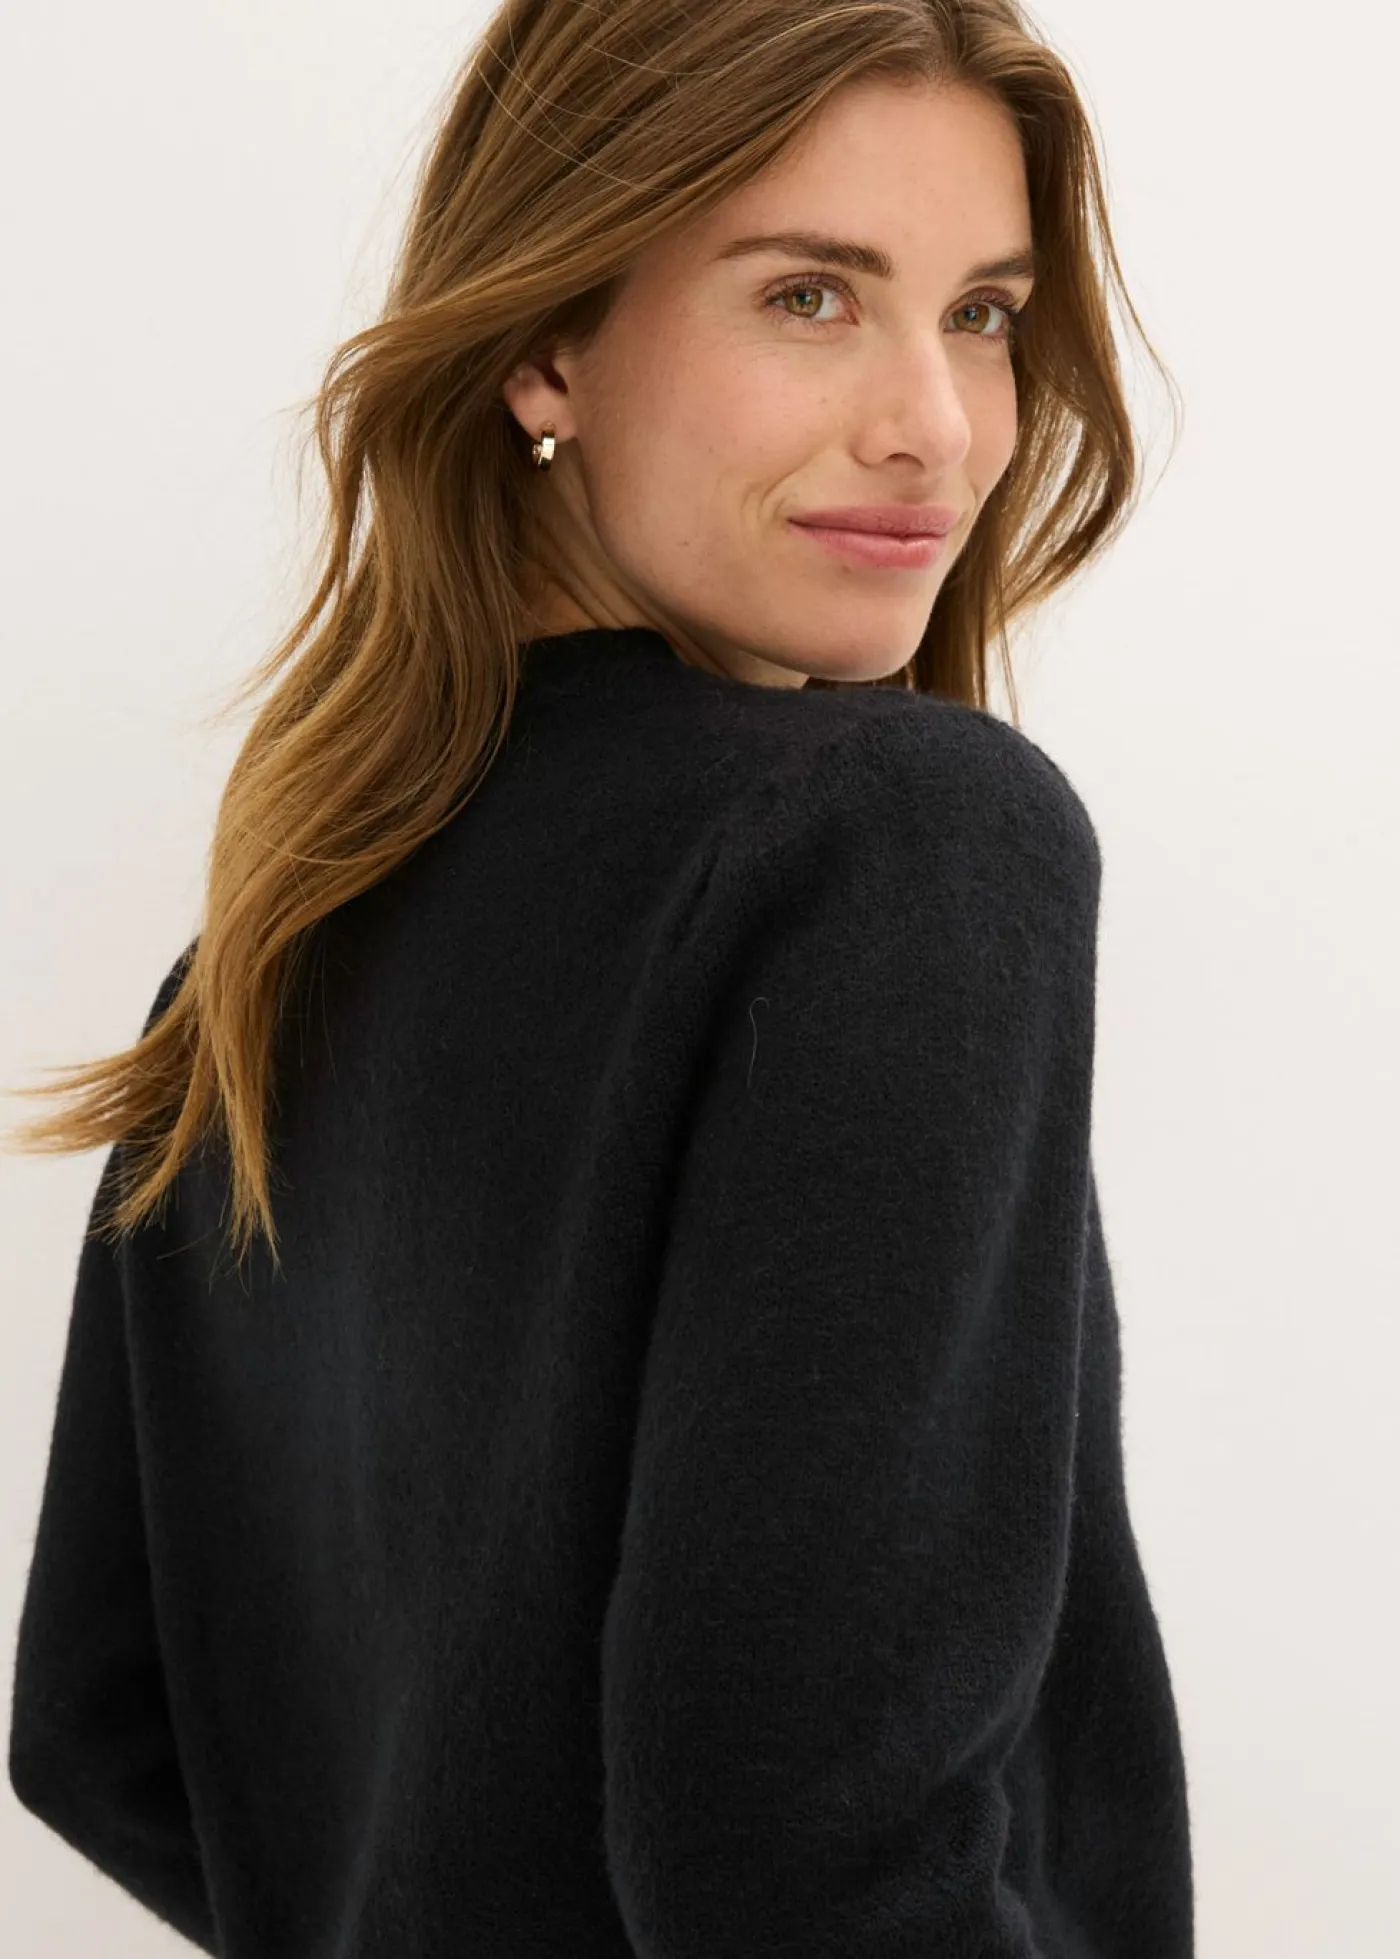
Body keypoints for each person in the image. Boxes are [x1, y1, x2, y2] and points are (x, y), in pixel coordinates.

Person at [4, 2, 1192, 1955]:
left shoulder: (266, 951)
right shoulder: (903, 841)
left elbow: (103, 1732)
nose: (938, 424)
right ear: (549, 340)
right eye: (809, 296)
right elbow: (806, 1863)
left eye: (983, 312)